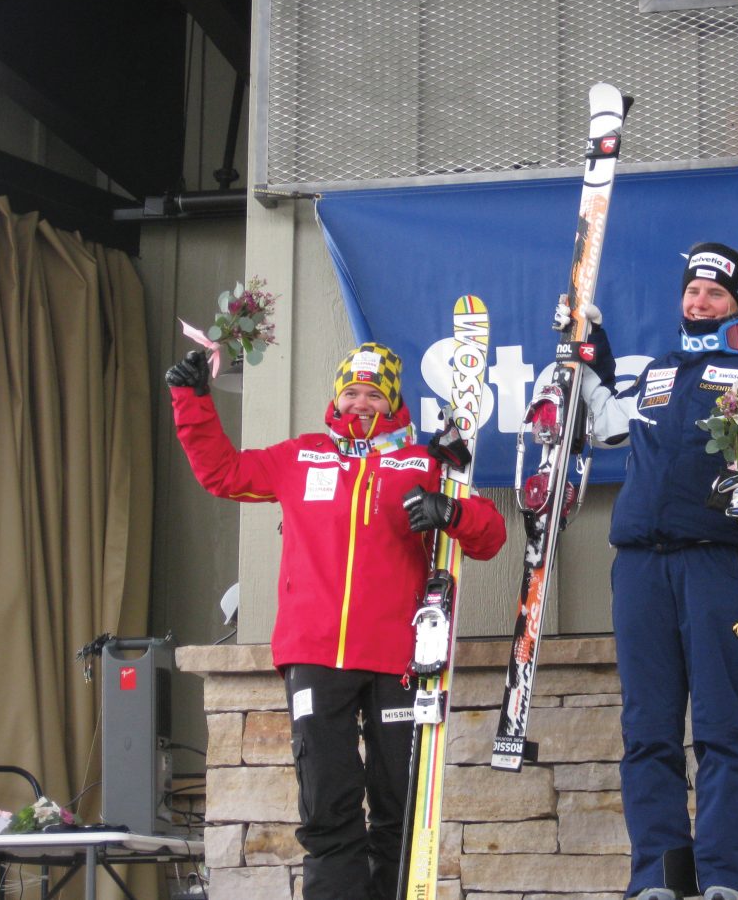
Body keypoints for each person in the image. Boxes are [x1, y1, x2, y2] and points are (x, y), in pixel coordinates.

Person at [165, 342, 506, 900]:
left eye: (374, 393)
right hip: (315, 655)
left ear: (392, 399)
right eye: (352, 391)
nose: (361, 402)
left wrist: (451, 510)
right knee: (327, 801)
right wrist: (191, 398)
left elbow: (490, 536)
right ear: (336, 396)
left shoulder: (423, 461)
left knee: (399, 803)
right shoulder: (303, 456)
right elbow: (224, 473)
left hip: (398, 656)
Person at [568, 242, 738, 900]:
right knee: (647, 731)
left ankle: (725, 880)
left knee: (719, 729)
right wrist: (594, 355)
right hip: (639, 568)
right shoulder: (659, 371)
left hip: (715, 563)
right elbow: (618, 430)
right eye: (692, 291)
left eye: (713, 293)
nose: (699, 301)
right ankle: (657, 877)